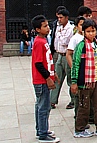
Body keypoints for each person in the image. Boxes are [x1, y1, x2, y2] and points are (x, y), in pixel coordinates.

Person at [70, 19, 97, 139]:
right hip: (84, 82)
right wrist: (74, 82)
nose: (91, 34)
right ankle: (79, 129)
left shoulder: (96, 44)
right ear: (83, 32)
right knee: (84, 107)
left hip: (95, 80)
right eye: (88, 32)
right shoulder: (81, 46)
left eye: (93, 31)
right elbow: (76, 64)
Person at [31, 15, 60, 143]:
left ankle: (41, 130)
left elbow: (47, 61)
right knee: (43, 107)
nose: (48, 28)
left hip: (44, 78)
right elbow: (38, 63)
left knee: (41, 106)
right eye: (45, 26)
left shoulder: (44, 41)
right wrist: (48, 78)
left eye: (48, 25)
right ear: (38, 29)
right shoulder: (38, 42)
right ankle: (43, 134)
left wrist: (54, 74)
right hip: (41, 81)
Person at [50, 8, 74, 109]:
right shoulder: (58, 27)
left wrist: (59, 33)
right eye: (58, 17)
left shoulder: (70, 28)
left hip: (67, 55)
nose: (59, 20)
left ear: (66, 18)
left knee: (70, 79)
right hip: (59, 55)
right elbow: (56, 41)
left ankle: (73, 100)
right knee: (57, 78)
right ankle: (52, 100)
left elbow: (64, 41)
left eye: (61, 17)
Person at [66, 16, 86, 113]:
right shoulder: (75, 38)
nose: (83, 27)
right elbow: (68, 54)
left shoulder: (90, 37)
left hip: (88, 72)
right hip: (79, 70)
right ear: (77, 26)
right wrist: (73, 68)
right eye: (81, 25)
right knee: (79, 96)